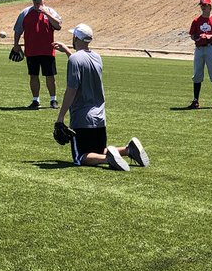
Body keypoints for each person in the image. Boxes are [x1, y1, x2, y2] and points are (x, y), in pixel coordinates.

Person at [54, 24, 149, 171]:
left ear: (76, 38)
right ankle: (128, 150)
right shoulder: (97, 58)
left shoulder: (75, 60)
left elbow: (71, 89)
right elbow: (81, 62)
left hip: (82, 118)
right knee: (96, 151)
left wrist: (60, 118)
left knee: (81, 157)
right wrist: (66, 50)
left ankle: (108, 158)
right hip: (99, 118)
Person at [11, 0, 63, 109]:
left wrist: (46, 14)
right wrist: (15, 44)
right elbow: (18, 30)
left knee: (50, 75)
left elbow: (58, 25)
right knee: (33, 75)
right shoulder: (25, 13)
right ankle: (35, 100)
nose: (37, 2)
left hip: (47, 50)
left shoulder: (50, 11)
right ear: (32, 0)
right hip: (31, 50)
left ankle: (53, 100)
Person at [189, 0, 212, 108]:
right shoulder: (196, 21)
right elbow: (192, 35)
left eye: (205, 5)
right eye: (201, 5)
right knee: (197, 74)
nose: (203, 7)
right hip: (199, 49)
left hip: (210, 47)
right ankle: (195, 100)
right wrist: (196, 38)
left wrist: (210, 36)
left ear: (210, 6)